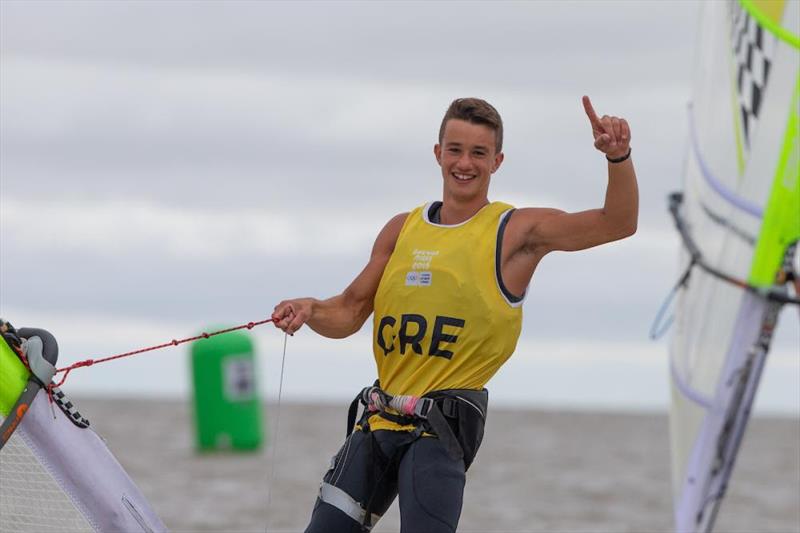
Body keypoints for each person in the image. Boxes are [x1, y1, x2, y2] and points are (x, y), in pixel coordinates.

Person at [272, 96, 638, 533]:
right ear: (438, 153)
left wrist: (618, 157)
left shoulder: (517, 232)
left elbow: (617, 223)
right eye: (456, 150)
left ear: (497, 161)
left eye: (479, 153)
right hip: (379, 420)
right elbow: (349, 311)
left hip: (440, 430)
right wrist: (310, 309)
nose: (465, 163)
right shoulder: (400, 229)